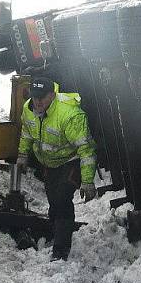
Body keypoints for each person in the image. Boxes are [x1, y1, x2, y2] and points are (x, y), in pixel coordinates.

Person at [17, 76, 97, 261]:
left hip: (71, 161)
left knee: (62, 200)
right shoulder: (28, 109)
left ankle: (60, 250)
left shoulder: (70, 116)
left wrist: (87, 181)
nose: (37, 102)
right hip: (50, 164)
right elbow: (27, 133)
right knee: (54, 200)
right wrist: (22, 155)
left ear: (52, 95)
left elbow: (86, 149)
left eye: (42, 97)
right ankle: (54, 233)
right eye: (34, 96)